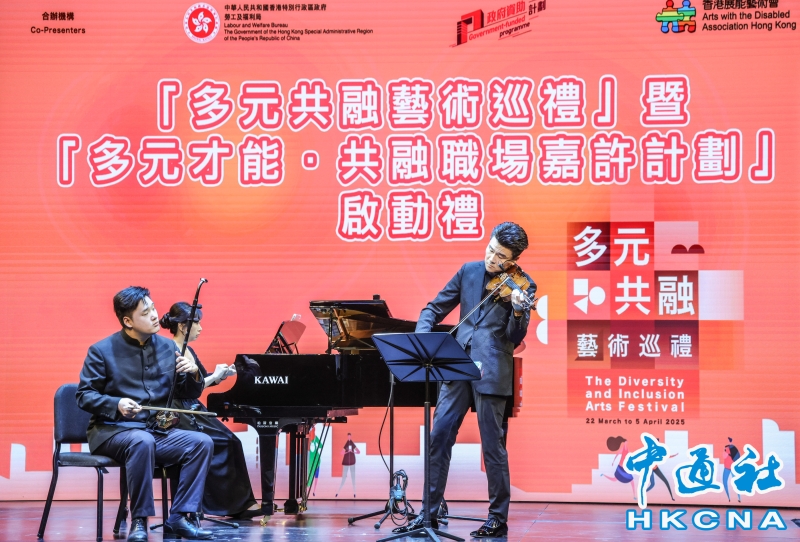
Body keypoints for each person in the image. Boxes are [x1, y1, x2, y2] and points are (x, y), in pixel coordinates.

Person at [393, 222, 535, 539]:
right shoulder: (468, 271)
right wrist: (423, 340)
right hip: (456, 365)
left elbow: (515, 337)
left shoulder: (523, 286)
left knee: (493, 446)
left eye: (501, 257)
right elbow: (433, 308)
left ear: (514, 260)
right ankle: (428, 515)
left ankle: (497, 518)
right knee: (438, 436)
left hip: (492, 370)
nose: (492, 259)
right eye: (491, 249)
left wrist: (517, 312)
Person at [76, 287, 214, 542]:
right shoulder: (101, 350)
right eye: (145, 312)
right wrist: (117, 403)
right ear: (128, 321)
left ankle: (179, 517)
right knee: (141, 440)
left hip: (153, 431)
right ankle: (139, 520)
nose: (154, 315)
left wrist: (194, 372)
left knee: (201, 443)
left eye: (153, 308)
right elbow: (84, 395)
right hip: (112, 432)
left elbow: (186, 392)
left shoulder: (168, 347)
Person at [160, 302, 262, 519]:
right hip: (179, 412)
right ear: (183, 327)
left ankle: (238, 504)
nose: (200, 328)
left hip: (192, 407)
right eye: (197, 323)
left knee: (232, 441)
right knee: (225, 442)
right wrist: (210, 377)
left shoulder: (189, 350)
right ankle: (231, 505)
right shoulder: (170, 350)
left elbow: (198, 383)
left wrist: (219, 376)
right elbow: (181, 390)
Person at [334, 432, 359, 498]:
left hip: (352, 463)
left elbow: (358, 451)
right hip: (346, 463)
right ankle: (337, 492)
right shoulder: (346, 444)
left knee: (353, 478)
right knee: (343, 478)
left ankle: (355, 493)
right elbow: (341, 453)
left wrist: (352, 451)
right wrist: (347, 452)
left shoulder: (352, 444)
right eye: (348, 436)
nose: (349, 437)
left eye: (350, 436)